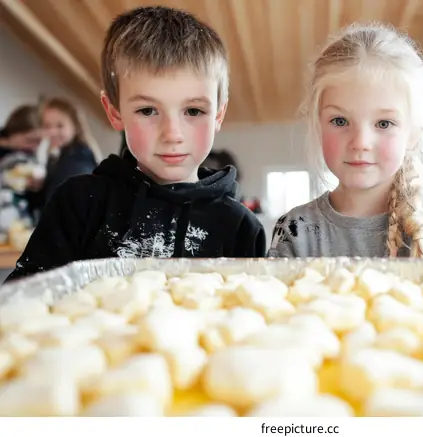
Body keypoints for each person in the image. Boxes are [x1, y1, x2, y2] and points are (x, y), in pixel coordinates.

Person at [6, 6, 266, 283]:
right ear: (115, 111)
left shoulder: (240, 228)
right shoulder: (78, 204)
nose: (172, 134)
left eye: (193, 111)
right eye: (147, 111)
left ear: (218, 114)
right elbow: (24, 303)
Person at [268, 23, 423, 259]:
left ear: (414, 133)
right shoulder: (295, 230)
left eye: (384, 124)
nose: (360, 143)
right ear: (318, 126)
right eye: (340, 121)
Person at [40, 97, 102, 203]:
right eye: (47, 126)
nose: (52, 132)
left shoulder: (78, 164)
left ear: (75, 126)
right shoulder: (63, 155)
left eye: (60, 126)